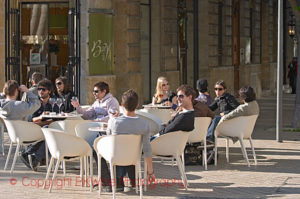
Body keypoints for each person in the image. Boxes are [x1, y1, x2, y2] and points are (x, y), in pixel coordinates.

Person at [102, 89, 155, 192]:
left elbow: (108, 138)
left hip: (116, 158)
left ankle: (113, 182)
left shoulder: (113, 122)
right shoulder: (144, 124)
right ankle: (134, 180)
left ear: (122, 104)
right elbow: (147, 149)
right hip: (134, 158)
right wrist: (150, 172)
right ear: (137, 105)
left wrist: (114, 118)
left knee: (98, 149)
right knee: (132, 148)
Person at [20, 79, 59, 171]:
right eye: (39, 89)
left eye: (43, 89)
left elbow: (57, 119)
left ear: (49, 91)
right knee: (48, 132)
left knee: (48, 131)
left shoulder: (54, 102)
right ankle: (34, 157)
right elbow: (32, 119)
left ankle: (31, 155)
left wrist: (43, 122)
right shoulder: (35, 102)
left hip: (48, 128)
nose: (40, 91)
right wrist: (41, 117)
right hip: (35, 129)